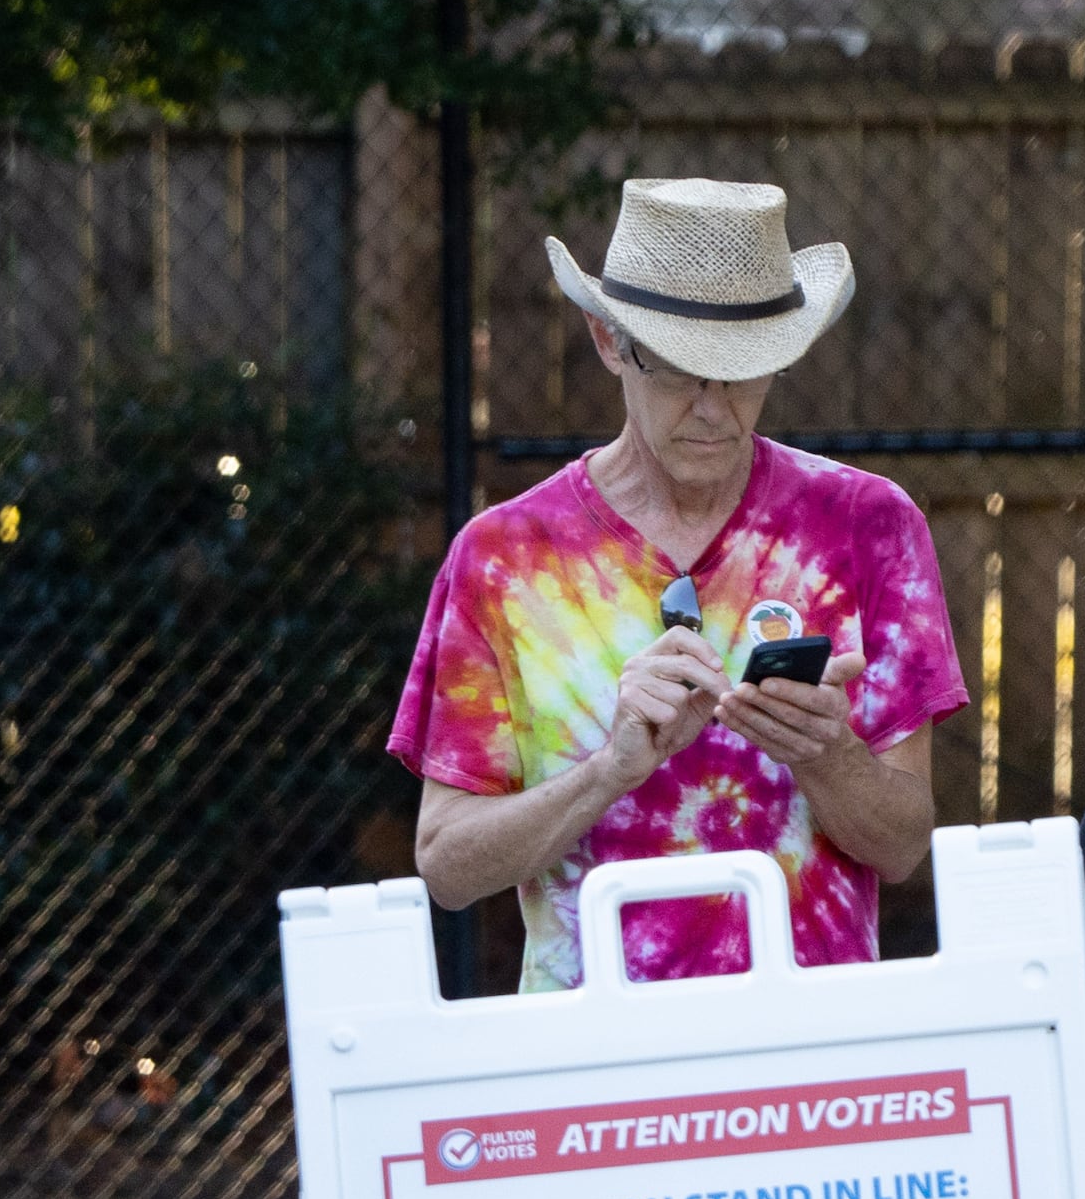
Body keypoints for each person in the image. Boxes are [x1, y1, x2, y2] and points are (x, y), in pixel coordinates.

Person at [393, 177, 966, 988]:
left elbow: (903, 844)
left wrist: (826, 753)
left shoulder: (868, 525)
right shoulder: (505, 556)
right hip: (598, 1064)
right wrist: (610, 771)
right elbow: (448, 866)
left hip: (814, 1053)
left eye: (742, 371)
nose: (713, 408)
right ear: (606, 341)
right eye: (677, 370)